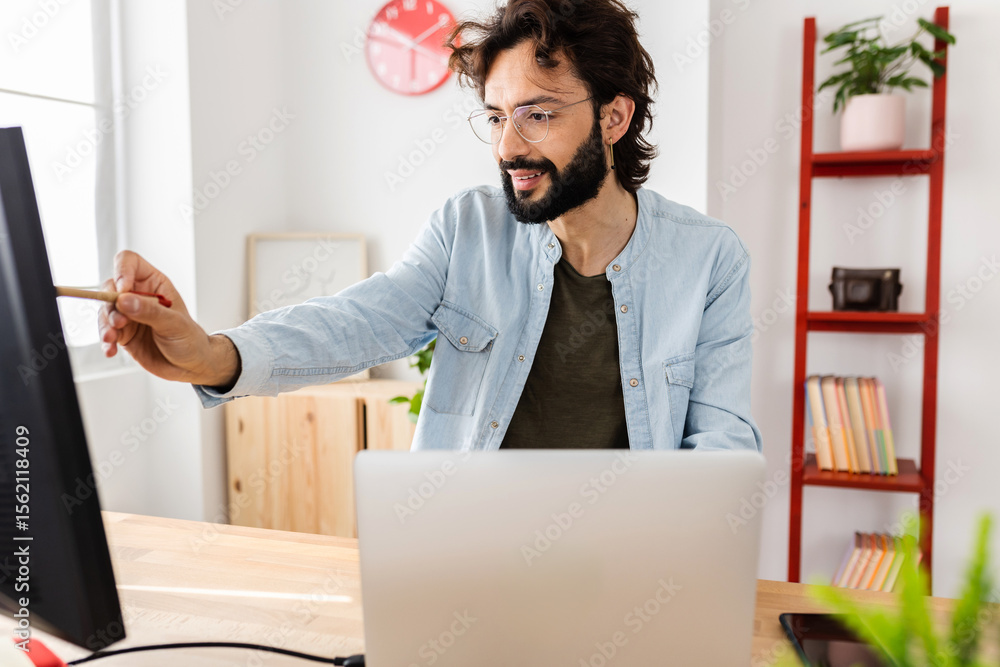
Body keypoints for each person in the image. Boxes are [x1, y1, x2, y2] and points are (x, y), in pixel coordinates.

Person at [98, 0, 762, 452]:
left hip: (630, 579)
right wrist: (211, 354)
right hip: (468, 568)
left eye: (537, 114)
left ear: (614, 118)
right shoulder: (466, 229)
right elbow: (355, 322)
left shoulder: (709, 260)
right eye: (498, 117)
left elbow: (724, 450)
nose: (506, 148)